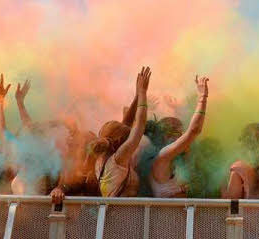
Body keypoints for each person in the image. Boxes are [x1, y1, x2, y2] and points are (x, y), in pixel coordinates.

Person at [89, 67, 151, 198]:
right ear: (120, 142)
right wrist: (143, 93)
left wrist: (136, 96)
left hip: (118, 214)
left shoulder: (103, 158)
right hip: (121, 216)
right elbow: (139, 125)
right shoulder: (118, 160)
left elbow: (126, 124)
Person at [149, 76, 209, 198]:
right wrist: (202, 98)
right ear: (165, 136)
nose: (180, 138)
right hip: (167, 217)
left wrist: (177, 109)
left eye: (181, 134)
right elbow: (193, 131)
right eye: (176, 134)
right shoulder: (163, 157)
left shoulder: (174, 161)